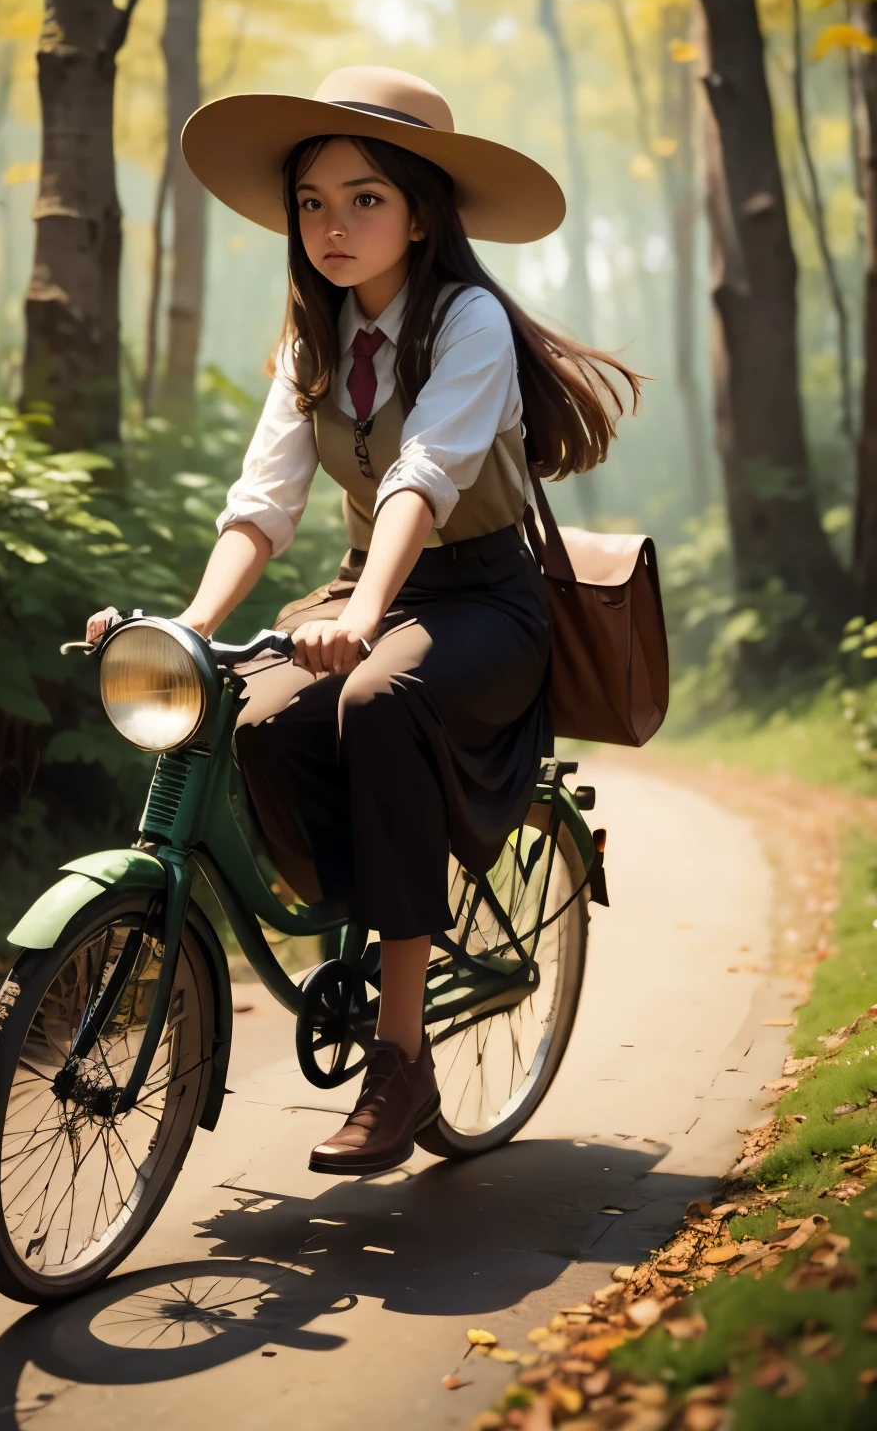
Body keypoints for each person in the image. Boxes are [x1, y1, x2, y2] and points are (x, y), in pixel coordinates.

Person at [86, 66, 638, 1177]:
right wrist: (192, 621)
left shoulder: (467, 319)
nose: (333, 226)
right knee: (254, 716)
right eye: (312, 203)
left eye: (366, 198)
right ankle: (380, 913)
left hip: (480, 595)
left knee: (380, 698)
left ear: (423, 211)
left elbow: (422, 479)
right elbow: (265, 500)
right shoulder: (313, 338)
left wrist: (369, 617)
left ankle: (399, 1059)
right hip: (363, 586)